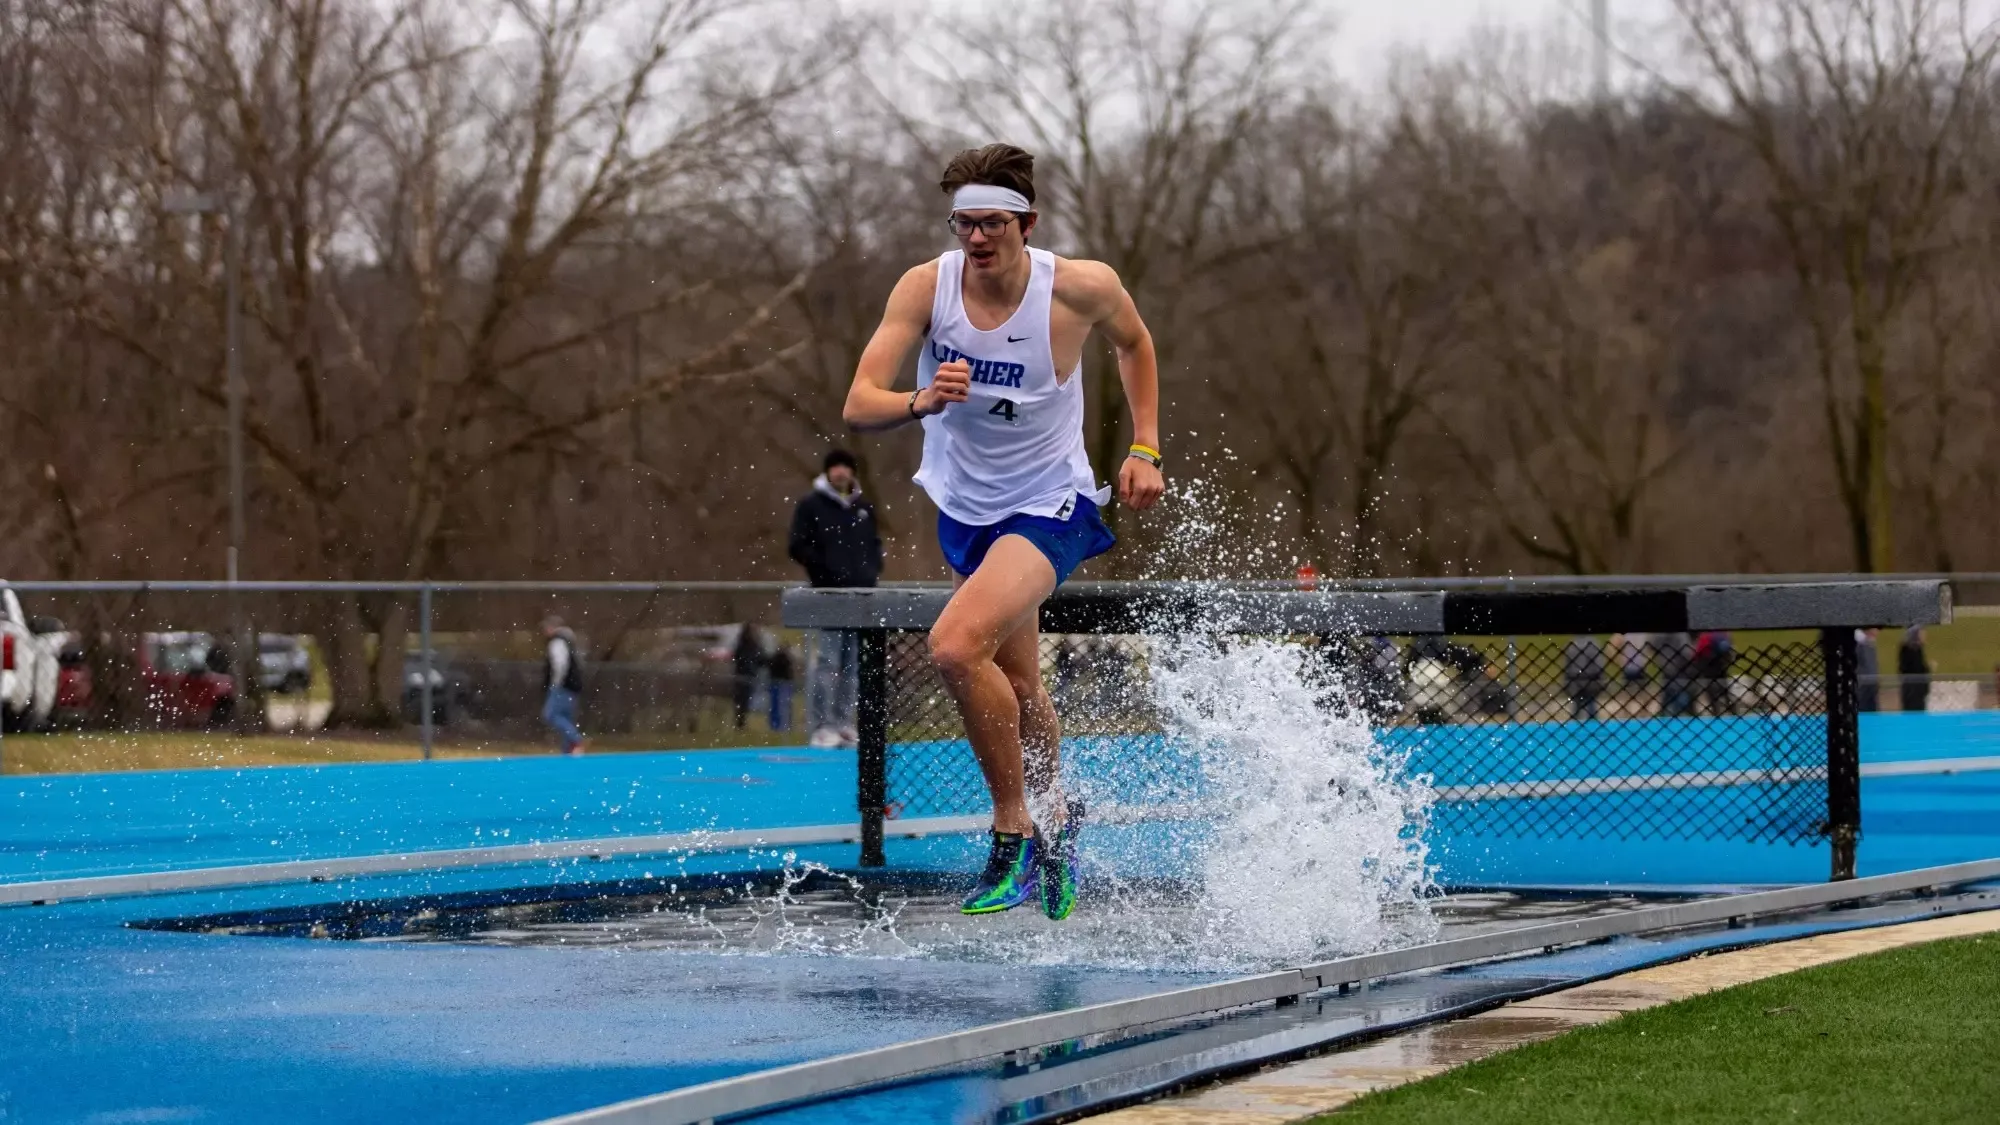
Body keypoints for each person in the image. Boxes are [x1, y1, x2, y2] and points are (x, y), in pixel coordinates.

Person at [842, 143, 1164, 920]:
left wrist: (1145, 445)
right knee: (1019, 685)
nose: (976, 239)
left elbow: (1136, 344)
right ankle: (1061, 815)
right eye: (963, 224)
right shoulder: (927, 287)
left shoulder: (1080, 287)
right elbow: (858, 402)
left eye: (991, 223)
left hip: (1050, 502)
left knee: (954, 646)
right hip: (967, 509)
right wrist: (921, 399)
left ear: (1028, 222)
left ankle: (1013, 831)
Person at [788, 449, 883, 748]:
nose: (841, 472)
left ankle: (843, 724)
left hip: (859, 597)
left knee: (852, 665)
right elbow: (797, 545)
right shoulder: (811, 506)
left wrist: (869, 573)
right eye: (835, 467)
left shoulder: (864, 508)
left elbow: (874, 546)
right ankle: (821, 726)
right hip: (828, 596)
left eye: (846, 467)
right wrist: (824, 572)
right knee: (827, 662)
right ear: (828, 472)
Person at [541, 615, 587, 755]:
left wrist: (555, 683)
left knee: (550, 715)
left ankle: (576, 739)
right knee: (566, 717)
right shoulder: (569, 640)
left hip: (563, 686)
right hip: (573, 686)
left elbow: (560, 664)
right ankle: (568, 751)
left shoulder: (557, 641)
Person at [732, 624, 767, 730]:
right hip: (746, 675)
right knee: (744, 700)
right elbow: (758, 659)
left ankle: (741, 722)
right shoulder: (751, 645)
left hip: (744, 675)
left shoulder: (744, 644)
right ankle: (741, 723)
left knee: (742, 701)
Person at [1563, 635, 1607, 721]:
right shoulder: (1593, 643)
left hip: (1576, 680)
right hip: (1591, 679)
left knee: (1577, 707)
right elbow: (1599, 663)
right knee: (1591, 706)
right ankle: (1592, 726)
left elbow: (1567, 666)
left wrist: (1566, 681)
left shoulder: (1572, 644)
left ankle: (1574, 728)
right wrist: (1602, 678)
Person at [1899, 625, 1931, 713]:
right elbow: (1911, 669)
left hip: (1919, 691)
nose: (1924, 636)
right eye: (1922, 634)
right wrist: (1926, 668)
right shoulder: (1908, 650)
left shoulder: (1918, 649)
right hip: (1912, 692)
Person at [767, 642, 796, 731]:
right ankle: (782, 725)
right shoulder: (782, 658)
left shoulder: (777, 658)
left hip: (780, 684)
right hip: (781, 684)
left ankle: (780, 725)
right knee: (781, 706)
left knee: (780, 706)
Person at [1855, 628, 1880, 713]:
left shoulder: (1869, 642)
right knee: (1863, 707)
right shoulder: (1859, 643)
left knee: (1871, 709)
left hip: (1871, 683)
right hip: (1863, 684)